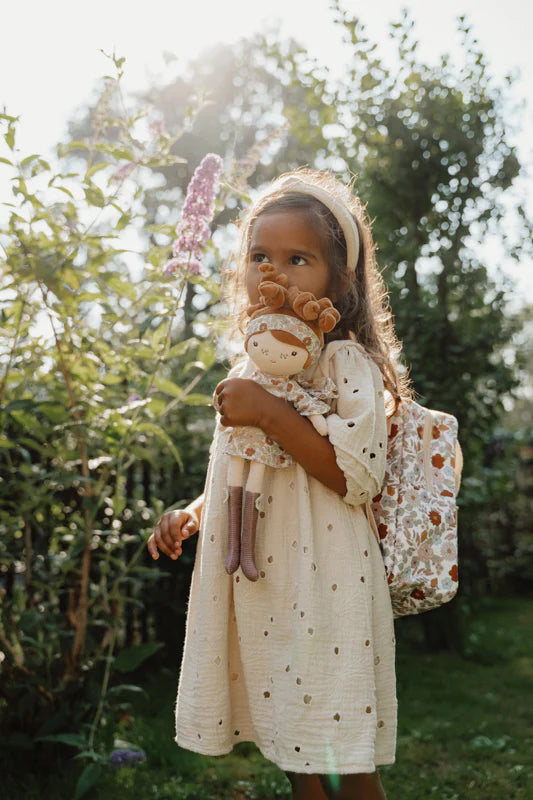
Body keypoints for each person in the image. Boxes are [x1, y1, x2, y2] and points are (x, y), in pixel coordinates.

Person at [147, 168, 415, 800]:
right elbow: (248, 466)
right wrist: (193, 512)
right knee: (292, 739)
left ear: (339, 278)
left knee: (342, 752)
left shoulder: (344, 362)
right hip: (266, 580)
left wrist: (271, 411)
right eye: (260, 256)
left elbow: (355, 475)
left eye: (299, 258)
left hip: (326, 580)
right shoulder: (252, 364)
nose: (276, 271)